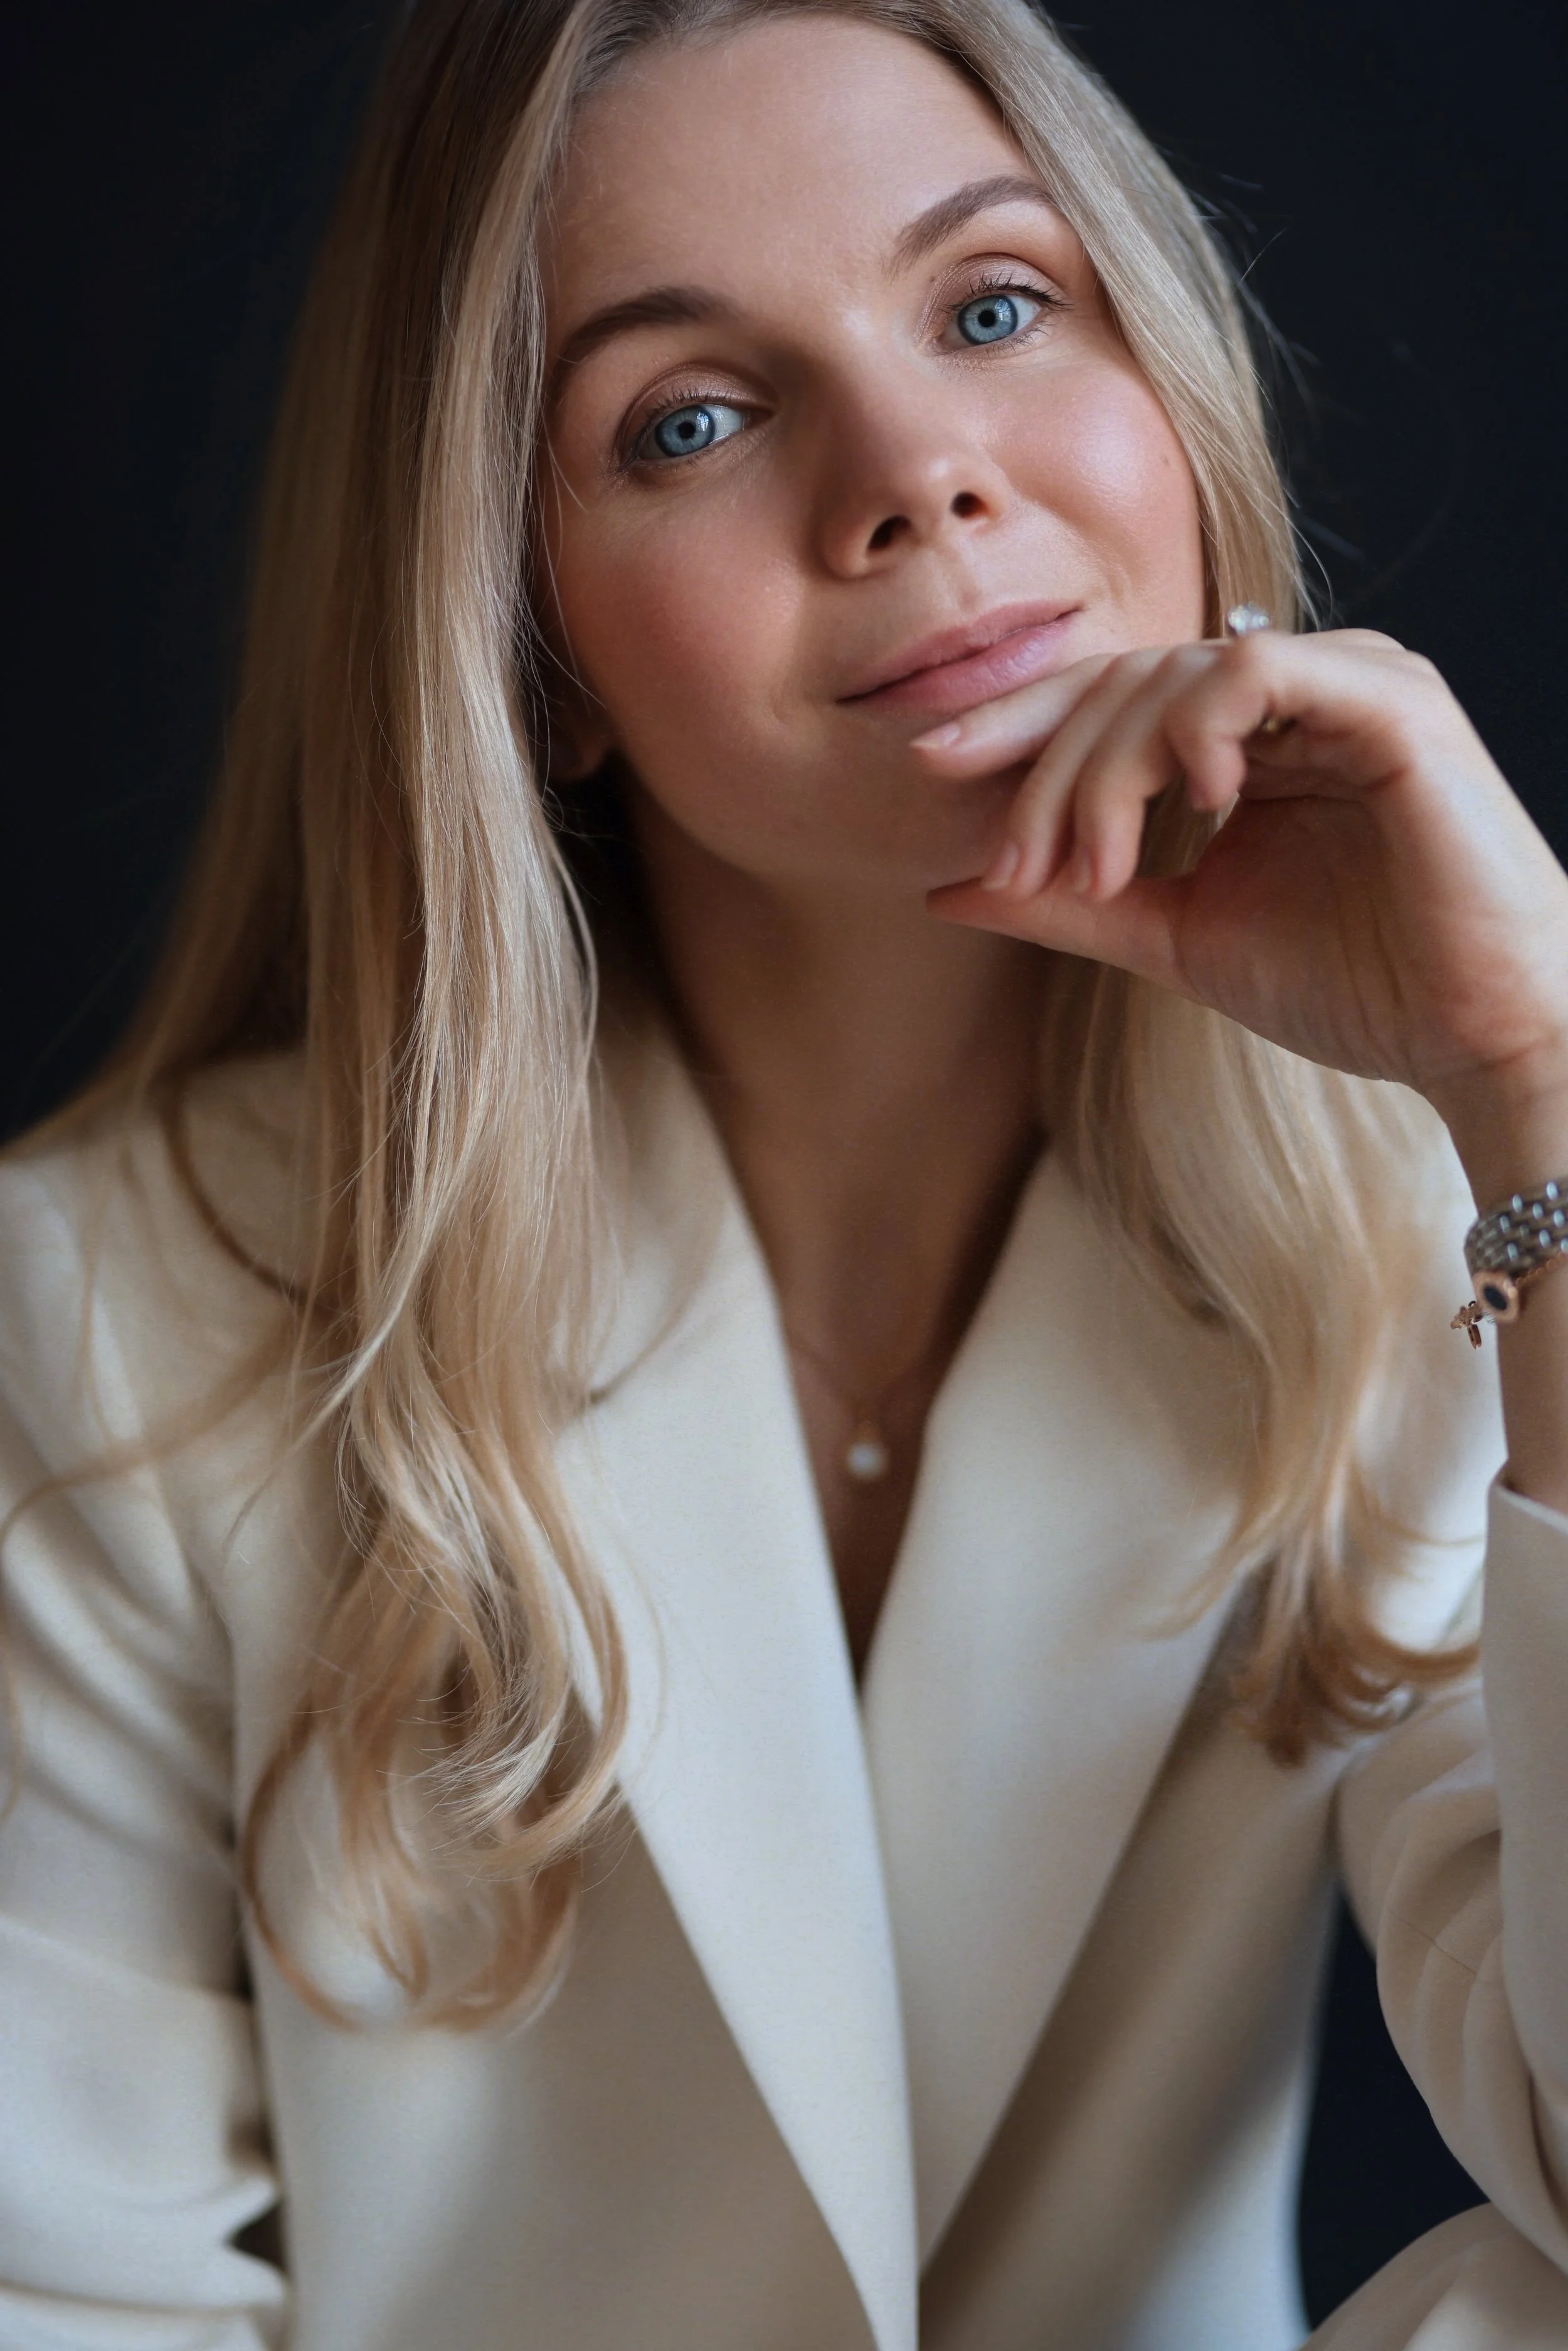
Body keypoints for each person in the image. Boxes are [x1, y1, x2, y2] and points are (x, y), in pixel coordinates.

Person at [3, 1, 1567, 2344]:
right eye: (692, 418)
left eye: (995, 306)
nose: (916, 473)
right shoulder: (112, 1304)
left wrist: (1538, 1078)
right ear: (528, 642)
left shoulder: (1430, 1223)